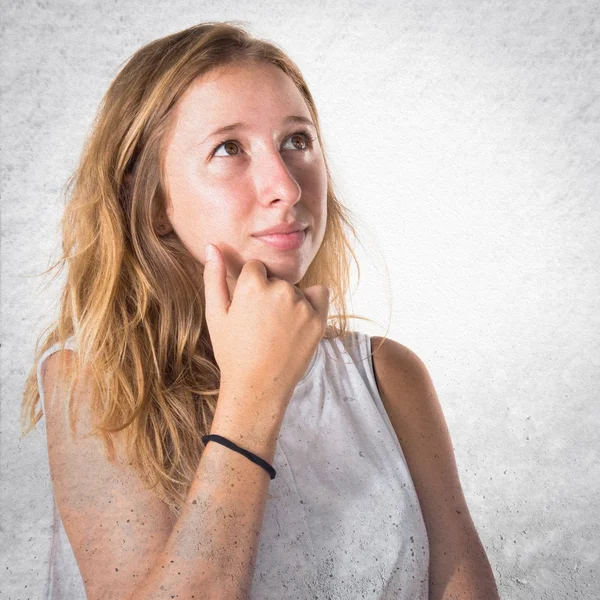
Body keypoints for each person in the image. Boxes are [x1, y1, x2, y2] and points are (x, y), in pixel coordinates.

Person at [21, 21, 499, 600]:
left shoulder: (389, 377)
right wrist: (253, 395)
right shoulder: (95, 382)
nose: (287, 188)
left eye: (297, 140)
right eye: (229, 148)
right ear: (149, 201)